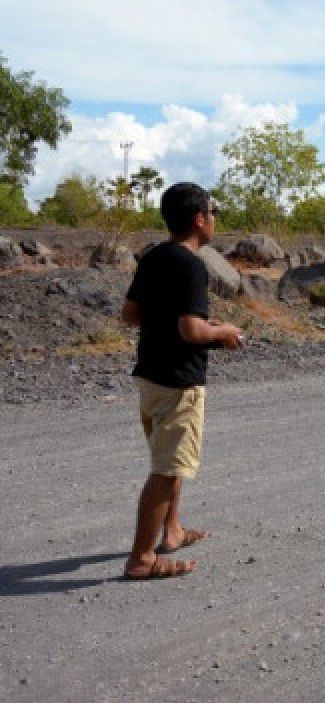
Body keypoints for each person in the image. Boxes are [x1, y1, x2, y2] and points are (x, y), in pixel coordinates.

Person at [119, 182, 244, 580]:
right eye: (212, 212)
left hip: (151, 377)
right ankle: (142, 559)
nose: (215, 219)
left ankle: (171, 530)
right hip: (178, 382)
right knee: (168, 469)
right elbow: (191, 330)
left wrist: (178, 326)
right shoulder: (191, 264)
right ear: (198, 218)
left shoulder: (155, 256)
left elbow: (131, 314)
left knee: (169, 461)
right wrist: (222, 332)